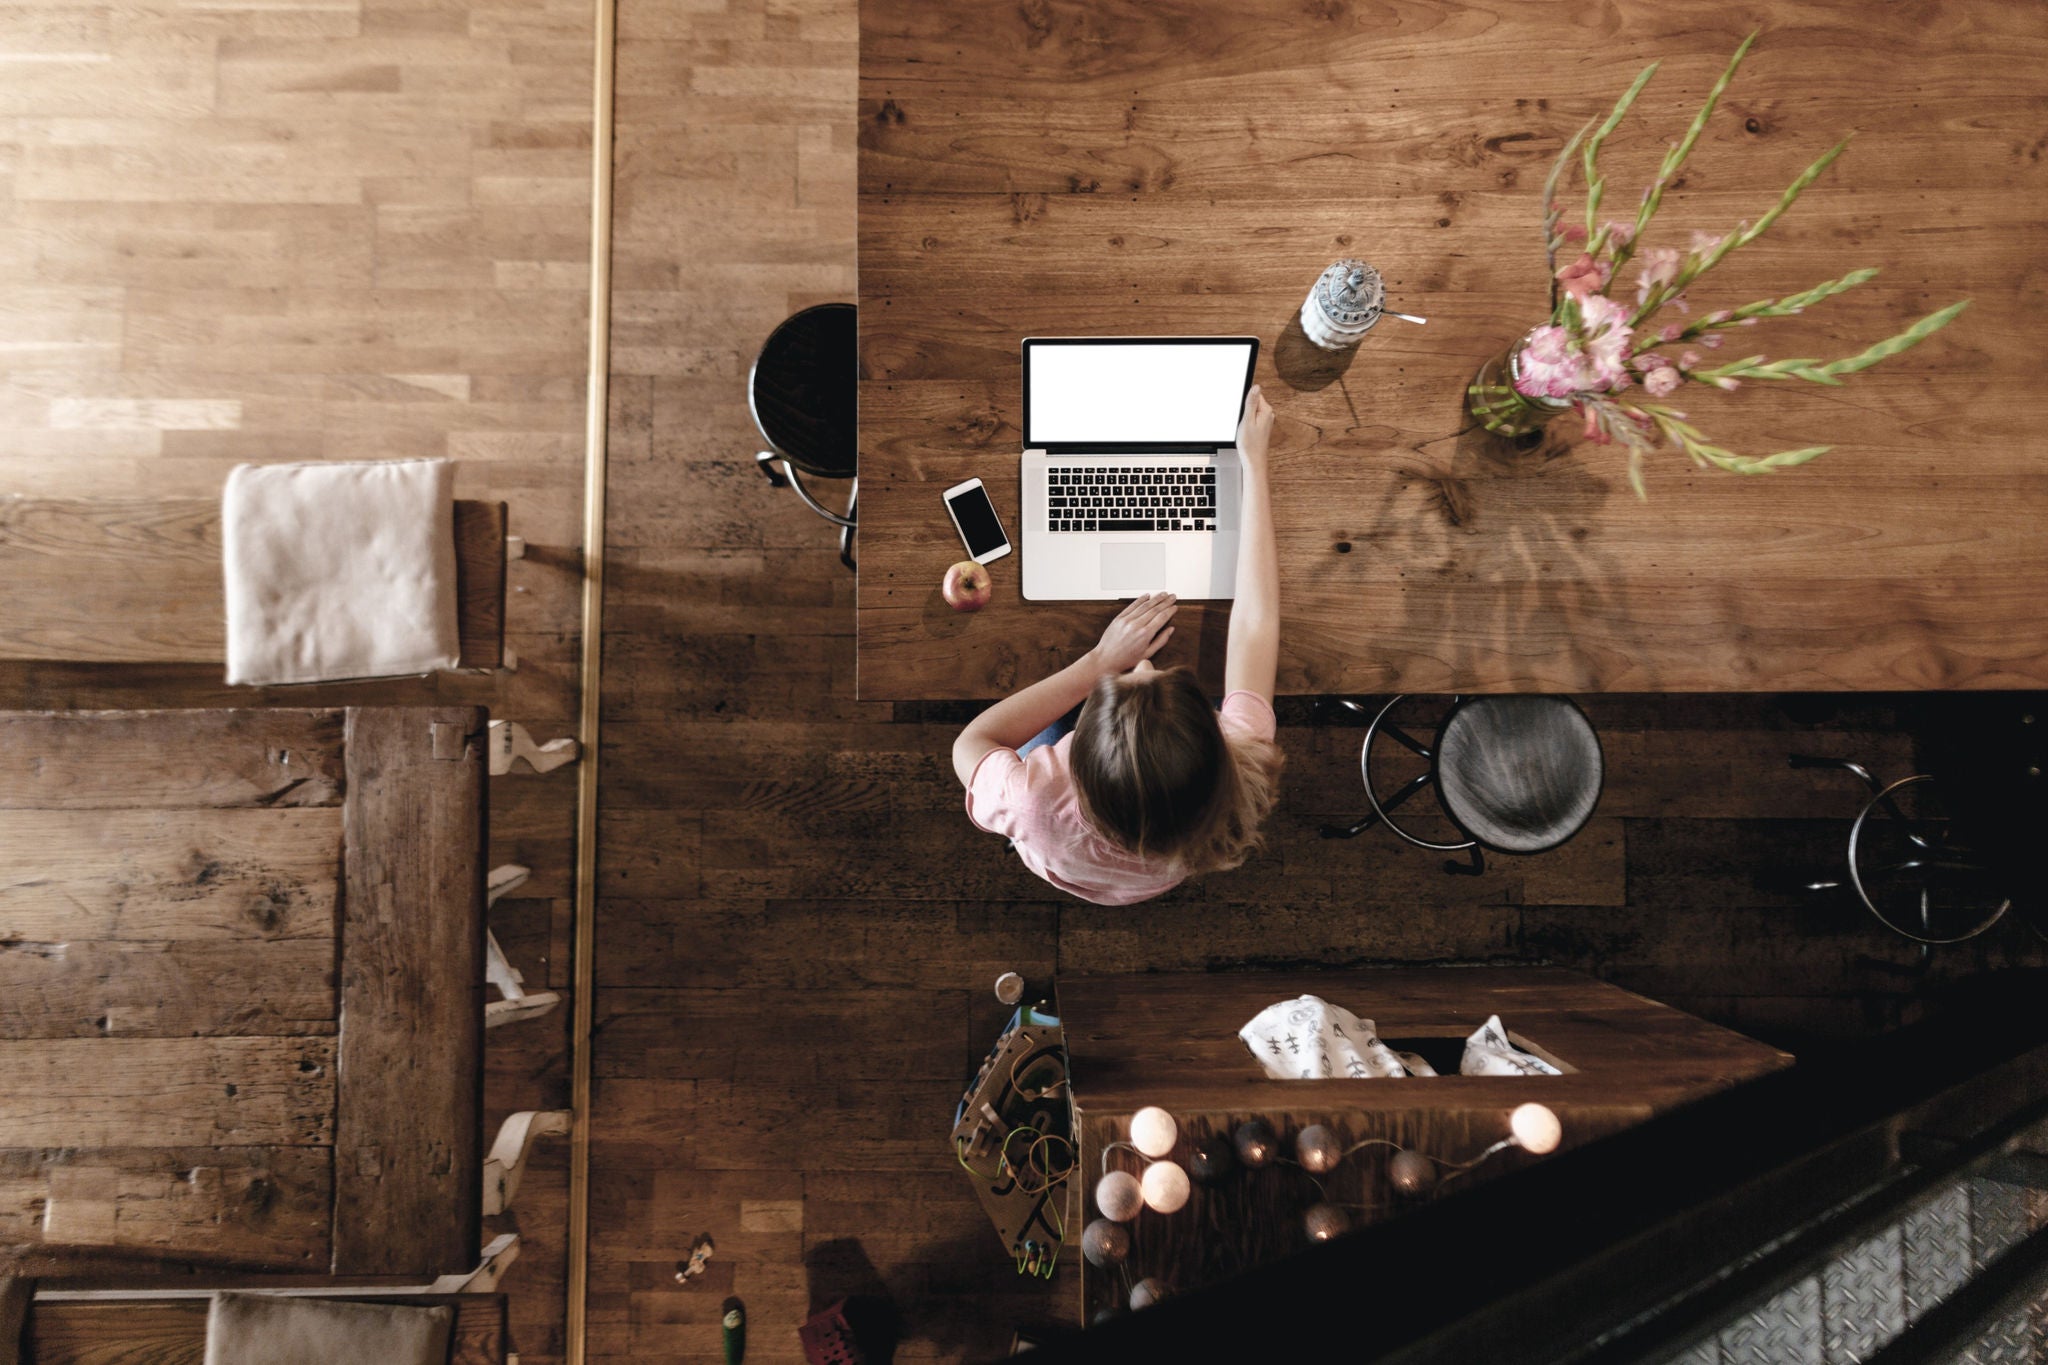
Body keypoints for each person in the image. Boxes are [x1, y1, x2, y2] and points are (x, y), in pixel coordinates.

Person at [951, 384, 1283, 905]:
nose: (1146, 663)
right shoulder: (1241, 761)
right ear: (1211, 747)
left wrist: (1099, 663)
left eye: (1132, 679)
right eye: (1155, 675)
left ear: (1074, 759)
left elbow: (971, 744)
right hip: (1151, 872)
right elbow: (1257, 623)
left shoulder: (1035, 800)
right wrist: (1254, 466)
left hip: (1061, 854)